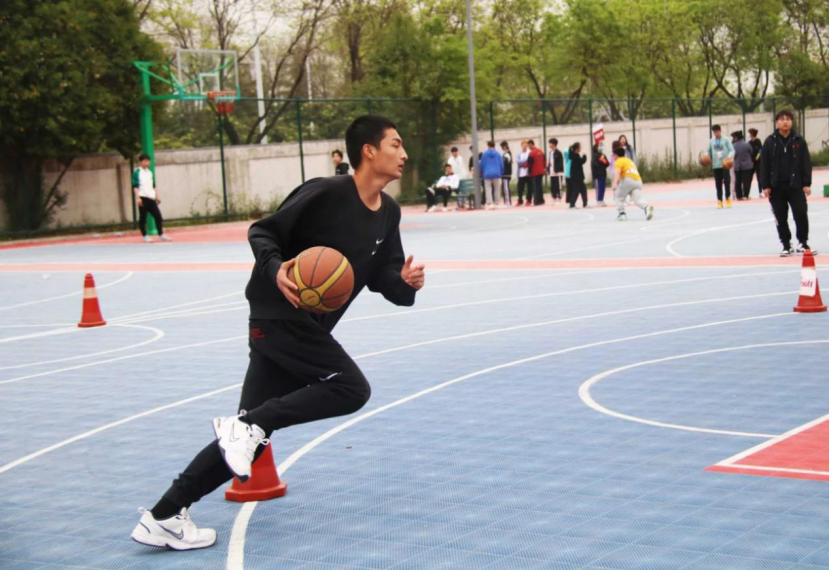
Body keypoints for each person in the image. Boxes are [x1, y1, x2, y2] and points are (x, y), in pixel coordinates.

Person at [130, 115, 426, 551]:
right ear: (369, 150)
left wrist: (406, 282)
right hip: (278, 315)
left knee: (243, 442)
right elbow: (263, 230)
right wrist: (274, 268)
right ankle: (250, 426)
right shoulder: (326, 192)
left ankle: (164, 515)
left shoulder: (389, 214)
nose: (404, 154)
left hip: (294, 328)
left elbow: (385, 277)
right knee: (351, 389)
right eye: (395, 144)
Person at [760, 110, 816, 257]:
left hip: (796, 185)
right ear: (777, 122)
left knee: (801, 213)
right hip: (776, 187)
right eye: (782, 119)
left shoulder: (799, 141)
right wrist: (765, 186)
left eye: (788, 119)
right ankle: (786, 244)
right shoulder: (770, 142)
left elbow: (806, 163)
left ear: (792, 122)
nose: (785, 122)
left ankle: (803, 243)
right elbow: (764, 165)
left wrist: (806, 183)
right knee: (780, 217)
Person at [132, 153, 172, 243]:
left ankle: (161, 234)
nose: (147, 162)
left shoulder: (150, 173)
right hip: (143, 198)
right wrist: (138, 198)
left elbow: (153, 186)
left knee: (158, 216)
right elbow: (135, 187)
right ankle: (145, 236)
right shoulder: (137, 173)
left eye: (148, 161)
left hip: (151, 198)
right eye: (145, 161)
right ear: (140, 162)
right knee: (143, 218)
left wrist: (157, 196)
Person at [612, 141, 654, 222]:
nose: (613, 156)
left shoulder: (618, 161)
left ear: (616, 155)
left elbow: (618, 173)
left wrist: (614, 183)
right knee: (637, 200)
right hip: (638, 181)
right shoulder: (629, 161)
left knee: (618, 197)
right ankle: (646, 207)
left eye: (614, 155)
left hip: (627, 179)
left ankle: (622, 214)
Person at [706, 125, 735, 209]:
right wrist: (707, 157)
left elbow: (732, 150)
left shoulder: (725, 140)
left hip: (725, 164)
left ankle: (728, 198)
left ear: (720, 131)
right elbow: (708, 152)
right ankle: (719, 201)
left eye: (717, 132)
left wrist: (729, 157)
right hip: (716, 165)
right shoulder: (711, 141)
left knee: (727, 181)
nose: (716, 133)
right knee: (718, 183)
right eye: (714, 132)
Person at [480, 141, 504, 210]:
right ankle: (497, 202)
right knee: (497, 188)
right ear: (494, 146)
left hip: (487, 173)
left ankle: (489, 203)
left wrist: (482, 172)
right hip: (496, 173)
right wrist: (501, 172)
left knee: (488, 189)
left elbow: (482, 164)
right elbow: (501, 164)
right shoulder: (498, 154)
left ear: (488, 146)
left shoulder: (484, 154)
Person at [731, 131, 754, 201]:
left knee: (738, 181)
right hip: (747, 166)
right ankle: (746, 195)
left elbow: (733, 155)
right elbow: (751, 152)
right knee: (746, 181)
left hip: (737, 166)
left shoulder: (733, 146)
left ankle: (739, 196)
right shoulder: (747, 145)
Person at [567, 143, 588, 209]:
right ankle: (572, 204)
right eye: (580, 147)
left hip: (577, 176)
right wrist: (584, 157)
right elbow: (581, 161)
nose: (580, 148)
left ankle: (585, 204)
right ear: (577, 148)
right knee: (576, 190)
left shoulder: (574, 155)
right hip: (576, 176)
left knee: (583, 190)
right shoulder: (575, 155)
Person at [527, 140, 546, 206]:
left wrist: (529, 171)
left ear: (531, 144)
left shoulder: (532, 153)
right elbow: (544, 160)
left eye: (528, 145)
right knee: (540, 186)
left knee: (535, 187)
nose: (528, 147)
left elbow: (529, 163)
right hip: (541, 171)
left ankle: (536, 201)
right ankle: (541, 200)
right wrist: (544, 168)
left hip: (534, 172)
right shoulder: (540, 151)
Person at [516, 140, 531, 206]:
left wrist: (524, 162)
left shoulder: (529, 153)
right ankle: (520, 200)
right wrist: (524, 162)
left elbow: (529, 161)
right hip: (521, 173)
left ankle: (528, 200)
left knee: (529, 187)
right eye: (523, 145)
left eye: (525, 145)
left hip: (528, 173)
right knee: (520, 188)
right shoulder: (519, 153)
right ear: (521, 146)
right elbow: (518, 161)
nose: (524, 147)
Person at [749, 128, 763, 197]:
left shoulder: (758, 141)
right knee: (749, 177)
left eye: (750, 133)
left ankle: (760, 192)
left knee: (759, 177)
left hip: (758, 162)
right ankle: (747, 193)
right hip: (751, 162)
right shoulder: (749, 142)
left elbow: (761, 150)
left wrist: (757, 157)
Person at [500, 141, 513, 206]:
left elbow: (503, 163)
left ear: (505, 146)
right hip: (505, 173)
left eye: (502, 147)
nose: (501, 148)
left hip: (506, 173)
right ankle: (506, 202)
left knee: (506, 188)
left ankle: (508, 202)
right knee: (504, 187)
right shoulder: (505, 153)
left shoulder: (507, 153)